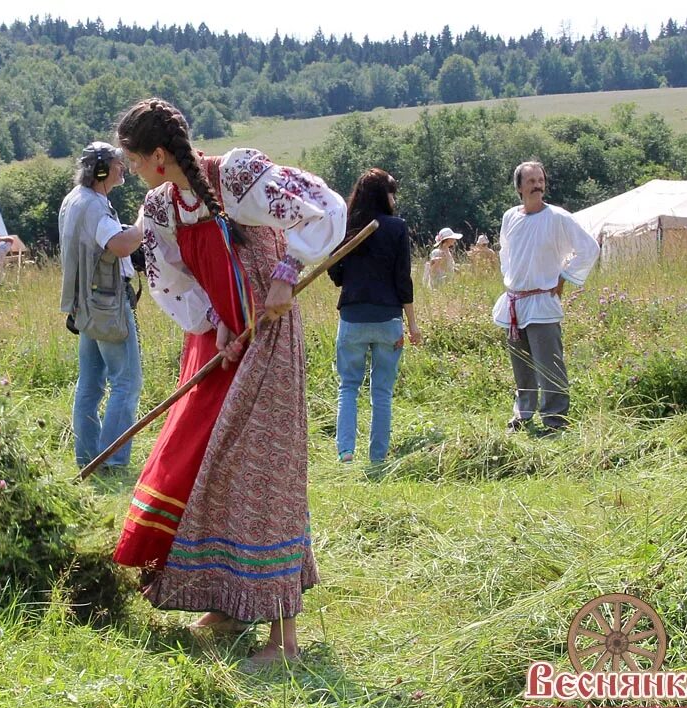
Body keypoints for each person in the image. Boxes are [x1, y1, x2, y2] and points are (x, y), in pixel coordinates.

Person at [111, 98, 346, 667]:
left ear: (161, 156)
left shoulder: (238, 176)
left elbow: (323, 208)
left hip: (269, 338)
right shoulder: (161, 208)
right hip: (222, 346)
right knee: (211, 471)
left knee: (261, 476)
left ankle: (283, 641)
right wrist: (214, 323)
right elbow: (173, 280)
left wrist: (287, 275)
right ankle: (228, 602)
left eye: (137, 161)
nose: (135, 171)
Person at [491, 161, 600, 434]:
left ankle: (555, 420)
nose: (537, 185)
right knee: (522, 367)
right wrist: (512, 281)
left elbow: (589, 248)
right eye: (531, 181)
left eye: (540, 180)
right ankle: (523, 414)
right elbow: (506, 252)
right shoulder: (510, 217)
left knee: (549, 364)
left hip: (542, 302)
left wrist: (564, 276)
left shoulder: (558, 217)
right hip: (515, 302)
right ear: (519, 187)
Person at [58, 141, 144, 470]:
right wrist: (141, 221)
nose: (123, 168)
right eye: (117, 164)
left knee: (90, 384)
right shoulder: (94, 204)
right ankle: (113, 461)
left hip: (85, 304)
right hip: (107, 302)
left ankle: (88, 459)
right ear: (103, 170)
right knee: (127, 382)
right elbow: (120, 245)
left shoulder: (73, 200)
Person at [327, 169, 422, 465]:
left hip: (353, 316)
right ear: (384, 196)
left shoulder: (346, 227)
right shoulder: (396, 228)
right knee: (381, 391)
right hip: (388, 319)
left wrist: (350, 275)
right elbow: (402, 280)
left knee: (348, 387)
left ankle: (345, 451)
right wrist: (413, 325)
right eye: (392, 193)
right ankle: (378, 457)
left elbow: (334, 270)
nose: (394, 199)